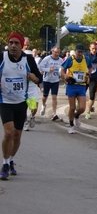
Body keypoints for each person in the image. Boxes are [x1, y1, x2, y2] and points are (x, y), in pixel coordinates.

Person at [0, 32, 42, 180]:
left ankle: (11, 160)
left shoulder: (28, 59)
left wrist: (34, 77)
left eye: (16, 43)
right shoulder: (2, 57)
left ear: (21, 45)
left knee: (17, 135)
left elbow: (39, 78)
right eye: (10, 42)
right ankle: (4, 164)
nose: (13, 46)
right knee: (9, 133)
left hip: (21, 102)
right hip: (5, 102)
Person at [60, 43, 92, 134]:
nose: (80, 54)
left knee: (82, 108)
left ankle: (76, 116)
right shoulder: (70, 59)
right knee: (72, 107)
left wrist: (88, 76)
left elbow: (90, 68)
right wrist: (64, 75)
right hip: (71, 85)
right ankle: (71, 125)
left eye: (82, 52)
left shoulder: (86, 59)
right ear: (75, 50)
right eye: (78, 52)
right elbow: (62, 69)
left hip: (81, 85)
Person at [39, 46, 63, 121]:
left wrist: (62, 74)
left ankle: (54, 113)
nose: (57, 54)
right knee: (45, 97)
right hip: (47, 80)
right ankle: (43, 105)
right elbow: (40, 67)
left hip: (55, 81)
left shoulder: (60, 60)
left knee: (54, 97)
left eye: (58, 53)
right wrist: (48, 69)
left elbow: (63, 68)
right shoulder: (47, 59)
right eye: (55, 52)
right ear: (52, 52)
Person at [22, 37, 40, 131]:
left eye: (27, 44)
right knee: (24, 106)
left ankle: (32, 117)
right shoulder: (18, 54)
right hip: (23, 86)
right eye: (25, 44)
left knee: (34, 107)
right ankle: (25, 122)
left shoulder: (31, 54)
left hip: (32, 85)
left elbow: (37, 71)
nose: (26, 45)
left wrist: (39, 82)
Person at [85, 42, 97, 120]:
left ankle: (88, 112)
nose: (94, 50)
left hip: (94, 77)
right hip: (85, 77)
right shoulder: (85, 56)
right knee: (81, 93)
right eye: (93, 48)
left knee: (92, 95)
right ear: (89, 48)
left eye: (96, 48)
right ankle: (78, 103)